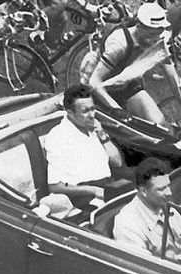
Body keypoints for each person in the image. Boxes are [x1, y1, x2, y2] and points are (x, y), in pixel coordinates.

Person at [41, 85, 125, 216]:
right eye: (85, 111)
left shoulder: (93, 128)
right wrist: (94, 190)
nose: (92, 115)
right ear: (70, 113)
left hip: (108, 187)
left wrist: (103, 136)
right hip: (85, 198)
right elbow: (55, 187)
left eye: (93, 109)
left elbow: (117, 163)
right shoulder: (58, 137)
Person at [112, 157, 181, 261]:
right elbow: (143, 267)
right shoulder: (127, 225)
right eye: (161, 189)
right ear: (143, 192)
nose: (169, 192)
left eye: (168, 186)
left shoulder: (165, 205)